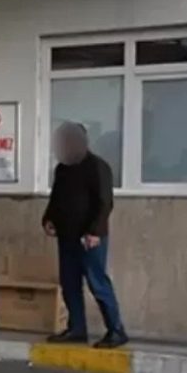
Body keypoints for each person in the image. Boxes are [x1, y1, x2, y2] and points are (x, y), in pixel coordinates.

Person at [43, 122, 127, 349]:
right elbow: (56, 198)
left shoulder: (97, 166)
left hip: (90, 238)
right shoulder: (62, 169)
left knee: (97, 283)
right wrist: (48, 219)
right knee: (69, 283)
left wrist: (95, 232)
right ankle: (76, 329)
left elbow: (105, 202)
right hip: (66, 236)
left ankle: (116, 331)